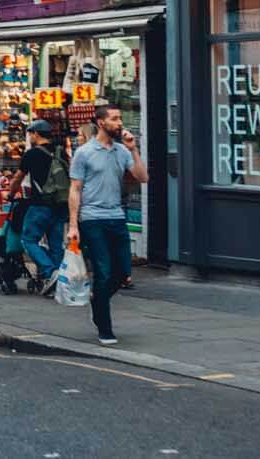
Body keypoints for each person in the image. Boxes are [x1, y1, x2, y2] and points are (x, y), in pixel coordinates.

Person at [66, 103, 147, 346]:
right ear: (101, 123)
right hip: (92, 219)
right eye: (114, 118)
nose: (119, 122)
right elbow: (75, 190)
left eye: (120, 118)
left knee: (123, 272)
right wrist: (73, 226)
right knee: (103, 272)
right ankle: (105, 328)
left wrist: (134, 150)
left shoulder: (122, 151)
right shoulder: (84, 153)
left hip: (116, 217)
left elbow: (143, 178)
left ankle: (97, 301)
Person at [8, 120, 67, 294]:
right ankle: (59, 282)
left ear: (35, 134)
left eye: (30, 134)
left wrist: (11, 194)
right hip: (61, 204)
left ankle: (49, 272)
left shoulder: (32, 154)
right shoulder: (61, 151)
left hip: (41, 205)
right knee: (56, 244)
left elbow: (18, 177)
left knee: (29, 240)